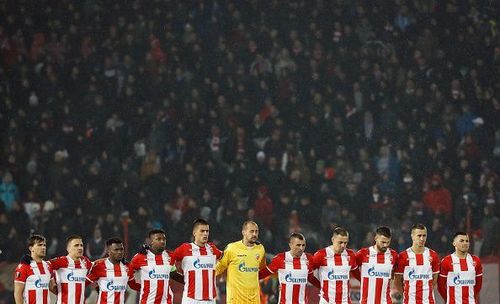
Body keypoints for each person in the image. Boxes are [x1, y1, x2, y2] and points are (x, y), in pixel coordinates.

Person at [259, 232, 319, 303]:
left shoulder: (308, 258)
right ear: (290, 245)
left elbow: (311, 278)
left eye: (303, 245)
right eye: (298, 245)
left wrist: (322, 286)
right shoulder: (280, 258)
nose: (301, 248)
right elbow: (264, 273)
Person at [215, 220, 266, 304]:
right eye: (251, 231)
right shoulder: (232, 248)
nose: (254, 234)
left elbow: (262, 269)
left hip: (254, 301)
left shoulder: (260, 249)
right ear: (243, 232)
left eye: (256, 231)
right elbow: (219, 268)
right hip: (236, 300)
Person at [173, 218, 223, 303]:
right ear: (194, 233)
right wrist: (174, 274)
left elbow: (227, 256)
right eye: (202, 231)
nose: (205, 234)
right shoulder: (184, 248)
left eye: (207, 231)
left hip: (210, 300)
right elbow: (167, 259)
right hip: (191, 299)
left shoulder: (213, 249)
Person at [128, 229, 178, 303]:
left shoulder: (170, 256)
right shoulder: (139, 257)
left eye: (164, 239)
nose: (162, 241)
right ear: (151, 241)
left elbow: (173, 273)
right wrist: (141, 288)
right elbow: (128, 275)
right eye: (158, 239)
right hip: (148, 301)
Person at [394, 223, 439, 304]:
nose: (422, 238)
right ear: (412, 236)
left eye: (424, 235)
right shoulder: (403, 256)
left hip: (428, 301)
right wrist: (408, 295)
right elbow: (397, 281)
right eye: (419, 235)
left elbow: (434, 279)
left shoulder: (433, 255)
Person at [312, 227, 359, 304]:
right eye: (340, 242)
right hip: (327, 301)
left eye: (345, 242)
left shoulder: (350, 255)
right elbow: (308, 272)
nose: (343, 245)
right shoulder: (321, 255)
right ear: (333, 240)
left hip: (345, 301)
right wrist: (319, 285)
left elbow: (357, 274)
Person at [86, 237, 139, 304]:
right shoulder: (100, 266)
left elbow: (133, 285)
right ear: (108, 251)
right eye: (116, 250)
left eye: (121, 249)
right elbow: (84, 283)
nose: (119, 252)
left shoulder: (127, 267)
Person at [355, 226, 398, 304]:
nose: (385, 245)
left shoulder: (393, 255)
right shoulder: (363, 253)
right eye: (383, 242)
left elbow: (393, 274)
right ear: (375, 238)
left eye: (388, 242)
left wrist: (391, 291)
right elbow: (353, 269)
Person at [437, 232, 483, 304]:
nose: (465, 243)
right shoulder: (446, 261)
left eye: (467, 241)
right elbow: (441, 287)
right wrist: (450, 299)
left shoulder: (476, 260)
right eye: (461, 241)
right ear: (454, 243)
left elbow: (478, 286)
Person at [50, 235, 93, 304]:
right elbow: (44, 266)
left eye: (81, 245)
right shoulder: (61, 261)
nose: (80, 248)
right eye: (76, 245)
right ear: (68, 249)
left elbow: (98, 266)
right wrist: (50, 280)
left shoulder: (85, 262)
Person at [14, 234, 52, 304]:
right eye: (39, 245)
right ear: (31, 248)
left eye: (44, 245)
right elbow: (18, 293)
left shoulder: (48, 266)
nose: (43, 247)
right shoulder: (24, 267)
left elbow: (52, 287)